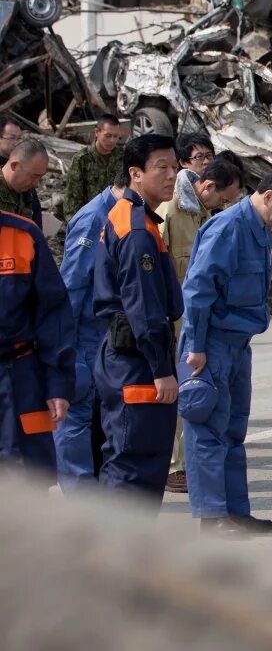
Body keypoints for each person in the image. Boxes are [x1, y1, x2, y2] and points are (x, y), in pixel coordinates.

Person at [179, 168, 272, 534]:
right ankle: (213, 518)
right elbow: (198, 291)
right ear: (268, 196)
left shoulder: (259, 230)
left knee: (233, 430)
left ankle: (236, 512)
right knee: (207, 430)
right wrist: (196, 347)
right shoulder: (229, 228)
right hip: (211, 344)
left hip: (238, 345)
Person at [92, 134, 183, 502]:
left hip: (125, 356)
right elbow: (144, 308)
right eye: (161, 167)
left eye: (174, 167)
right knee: (136, 465)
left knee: (125, 458)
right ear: (135, 173)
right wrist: (161, 368)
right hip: (137, 362)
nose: (172, 175)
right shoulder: (137, 231)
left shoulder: (135, 219)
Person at [157, 161, 243, 494]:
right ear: (207, 187)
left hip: (198, 320)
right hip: (172, 323)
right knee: (181, 394)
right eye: (222, 199)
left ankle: (188, 462)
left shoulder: (202, 215)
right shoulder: (169, 214)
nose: (223, 207)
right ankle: (175, 467)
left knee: (198, 394)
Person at [54, 177, 124, 491]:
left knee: (99, 417)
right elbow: (71, 285)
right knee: (75, 418)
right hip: (81, 335)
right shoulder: (94, 218)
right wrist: (62, 344)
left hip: (103, 334)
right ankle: (80, 499)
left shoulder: (122, 216)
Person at [0, 210, 74, 479]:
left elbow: (53, 316)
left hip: (19, 376)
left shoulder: (24, 235)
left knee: (28, 479)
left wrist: (58, 384)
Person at [64, 114, 123, 220]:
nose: (112, 141)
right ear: (97, 132)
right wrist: (76, 225)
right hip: (90, 218)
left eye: (116, 136)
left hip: (117, 218)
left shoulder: (122, 157)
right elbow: (72, 198)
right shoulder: (82, 159)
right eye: (108, 136)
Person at [0, 139, 48, 228]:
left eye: (40, 177)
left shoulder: (27, 192)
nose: (36, 184)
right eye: (33, 176)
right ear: (15, 166)